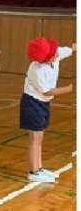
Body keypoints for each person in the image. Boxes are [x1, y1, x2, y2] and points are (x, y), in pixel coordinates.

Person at [20, 38, 75, 183]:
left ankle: (39, 168)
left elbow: (71, 48)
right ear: (45, 58)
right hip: (32, 104)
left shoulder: (55, 54)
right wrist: (70, 88)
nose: (57, 54)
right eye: (54, 54)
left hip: (43, 104)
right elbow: (47, 91)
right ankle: (33, 172)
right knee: (35, 138)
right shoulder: (36, 70)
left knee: (40, 138)